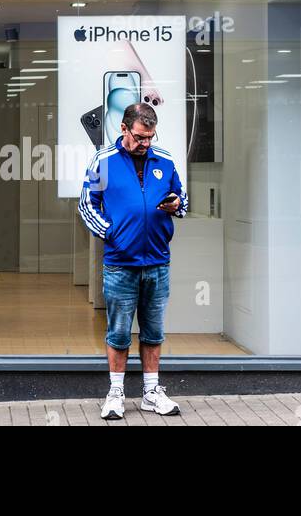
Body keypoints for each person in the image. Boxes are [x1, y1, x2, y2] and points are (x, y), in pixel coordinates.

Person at [78, 103, 188, 419]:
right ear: (124, 129)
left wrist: (177, 204)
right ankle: (115, 394)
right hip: (120, 263)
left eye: (150, 137)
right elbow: (87, 204)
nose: (146, 143)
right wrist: (112, 234)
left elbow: (181, 198)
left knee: (153, 332)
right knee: (119, 332)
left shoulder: (164, 160)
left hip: (157, 261)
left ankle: (152, 393)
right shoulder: (104, 161)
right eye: (140, 137)